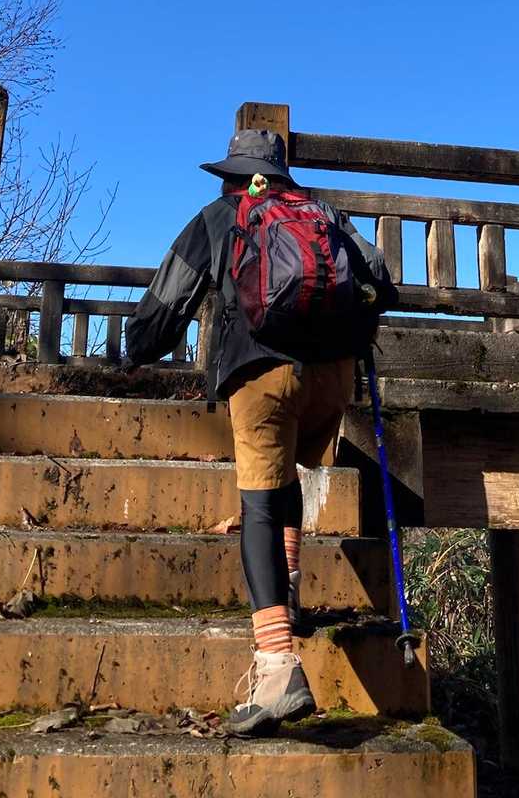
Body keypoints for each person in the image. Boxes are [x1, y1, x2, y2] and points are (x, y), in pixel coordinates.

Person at [124, 129, 396, 737]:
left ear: (234, 175)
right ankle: (289, 589)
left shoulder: (221, 215)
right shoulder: (323, 213)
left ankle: (276, 668)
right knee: (286, 479)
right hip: (332, 379)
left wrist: (137, 349)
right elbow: (381, 281)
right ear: (280, 174)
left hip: (262, 374)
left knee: (258, 507)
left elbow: (167, 302)